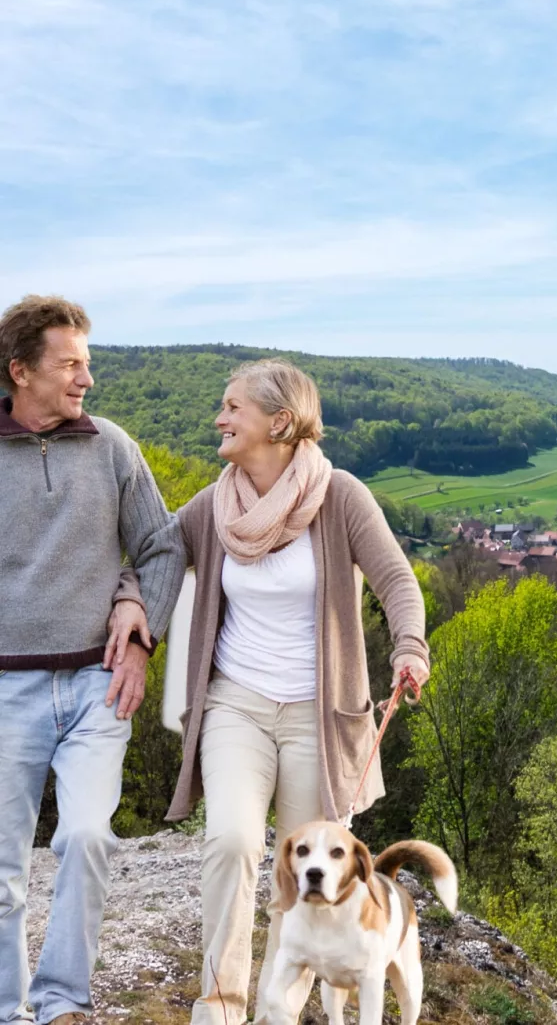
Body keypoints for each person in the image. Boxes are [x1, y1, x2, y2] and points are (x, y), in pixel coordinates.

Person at [161, 358, 430, 1025]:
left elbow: (397, 581)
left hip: (320, 714)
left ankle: (275, 1011)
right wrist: (130, 611)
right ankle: (218, 1009)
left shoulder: (339, 497)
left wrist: (410, 649)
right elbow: (159, 551)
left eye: (232, 407)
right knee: (231, 839)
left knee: (307, 870)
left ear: (279, 422)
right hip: (236, 703)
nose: (218, 419)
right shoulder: (215, 504)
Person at [0, 294, 185, 1025]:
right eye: (70, 364)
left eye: (89, 362)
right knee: (4, 872)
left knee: (84, 836)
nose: (87, 379)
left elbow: (163, 545)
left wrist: (139, 625)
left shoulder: (112, 446)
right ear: (19, 371)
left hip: (97, 683)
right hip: (5, 687)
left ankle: (62, 1003)